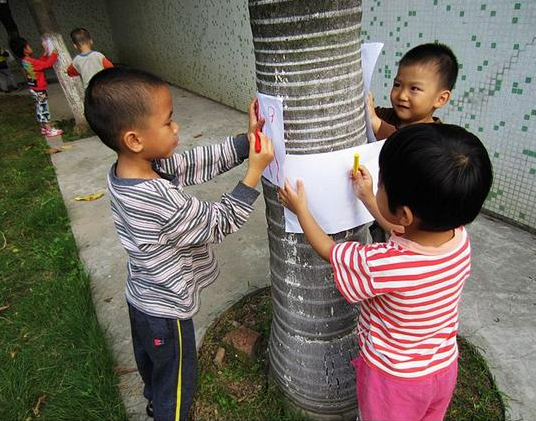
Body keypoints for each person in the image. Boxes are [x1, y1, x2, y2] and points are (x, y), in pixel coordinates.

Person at [84, 66, 273, 421]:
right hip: (167, 312)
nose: (177, 128)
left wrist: (246, 141)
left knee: (154, 368)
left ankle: (155, 402)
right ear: (135, 139)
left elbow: (189, 163)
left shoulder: (128, 171)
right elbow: (218, 222)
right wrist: (254, 172)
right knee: (178, 380)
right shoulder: (156, 197)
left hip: (140, 297)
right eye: (168, 122)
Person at [278, 123, 493, 421]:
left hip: (394, 380)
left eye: (381, 185)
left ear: (405, 213)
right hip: (442, 368)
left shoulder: (385, 264)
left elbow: (329, 251)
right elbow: (402, 228)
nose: (377, 186)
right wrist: (368, 197)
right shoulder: (457, 239)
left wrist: (301, 209)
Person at [368, 42, 458, 140]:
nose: (402, 96)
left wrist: (377, 125)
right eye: (397, 85)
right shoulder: (388, 115)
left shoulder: (436, 137)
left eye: (414, 88)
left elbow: (406, 146)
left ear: (441, 99)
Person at [10, 36, 63, 137]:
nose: (30, 46)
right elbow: (47, 64)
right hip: (39, 89)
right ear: (25, 49)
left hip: (34, 89)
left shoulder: (26, 61)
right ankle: (49, 129)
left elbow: (40, 64)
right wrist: (54, 54)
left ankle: (43, 128)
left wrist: (45, 53)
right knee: (44, 108)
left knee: (39, 107)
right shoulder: (30, 61)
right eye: (28, 45)